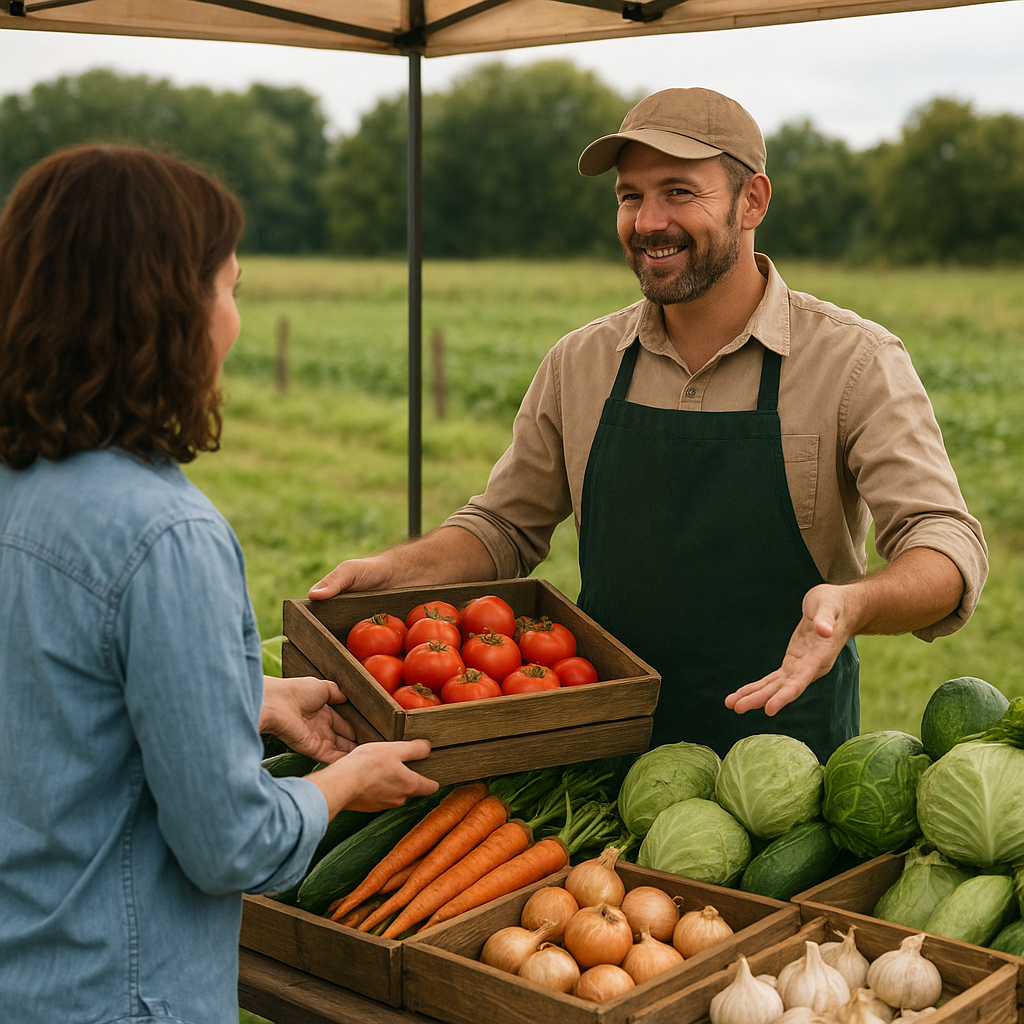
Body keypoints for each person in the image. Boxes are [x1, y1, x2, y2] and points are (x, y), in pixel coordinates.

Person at [309, 88, 988, 764]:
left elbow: (946, 547)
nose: (647, 221)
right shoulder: (581, 362)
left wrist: (853, 604)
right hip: (602, 744)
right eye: (630, 196)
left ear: (752, 200)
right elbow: (504, 529)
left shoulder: (853, 360)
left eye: (678, 192)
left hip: (785, 765)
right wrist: (393, 572)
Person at [0, 145, 438, 1024]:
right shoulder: (167, 534)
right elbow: (229, 845)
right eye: (228, 287)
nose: (235, 318)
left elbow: (53, 710)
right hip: (120, 992)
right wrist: (347, 781)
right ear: (164, 310)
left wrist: (250, 695)